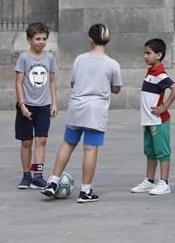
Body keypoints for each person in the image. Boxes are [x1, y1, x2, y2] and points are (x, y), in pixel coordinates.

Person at [41, 24, 122, 203]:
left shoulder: (80, 59)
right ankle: (86, 191)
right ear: (108, 40)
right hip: (96, 110)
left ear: (90, 39)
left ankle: (53, 181)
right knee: (90, 148)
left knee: (68, 144)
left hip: (77, 107)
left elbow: (73, 82)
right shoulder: (112, 64)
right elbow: (116, 88)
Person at [131, 38, 175, 196]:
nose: (145, 56)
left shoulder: (160, 74)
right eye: (144, 53)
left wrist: (164, 107)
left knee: (162, 152)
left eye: (148, 53)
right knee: (150, 151)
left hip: (158, 121)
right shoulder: (151, 71)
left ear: (159, 55)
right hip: (148, 120)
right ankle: (149, 180)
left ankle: (164, 182)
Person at [15, 22, 58, 190]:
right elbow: (18, 83)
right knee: (26, 141)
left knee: (42, 139)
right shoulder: (24, 58)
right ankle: (26, 175)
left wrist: (54, 102)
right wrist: (22, 104)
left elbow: (53, 81)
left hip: (43, 106)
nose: (41, 42)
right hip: (26, 106)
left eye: (44, 39)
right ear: (29, 40)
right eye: (37, 39)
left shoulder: (49, 58)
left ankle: (38, 175)